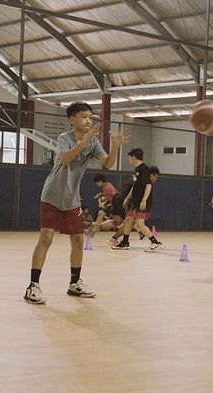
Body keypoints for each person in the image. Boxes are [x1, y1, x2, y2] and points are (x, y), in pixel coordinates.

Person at [23, 102, 128, 304]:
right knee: (46, 238)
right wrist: (83, 142)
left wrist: (115, 146)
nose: (88, 120)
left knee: (79, 240)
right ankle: (33, 286)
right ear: (72, 120)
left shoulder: (93, 142)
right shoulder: (65, 138)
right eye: (83, 116)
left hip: (72, 199)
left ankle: (74, 283)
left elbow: (108, 163)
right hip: (53, 195)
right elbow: (64, 159)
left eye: (90, 117)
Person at [112, 149, 162, 252]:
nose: (129, 159)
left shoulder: (144, 169)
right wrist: (128, 198)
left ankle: (156, 243)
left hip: (142, 202)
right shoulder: (136, 170)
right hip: (135, 201)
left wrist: (144, 200)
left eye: (129, 157)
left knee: (139, 224)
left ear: (133, 157)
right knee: (129, 220)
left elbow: (148, 185)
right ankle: (125, 242)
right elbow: (135, 186)